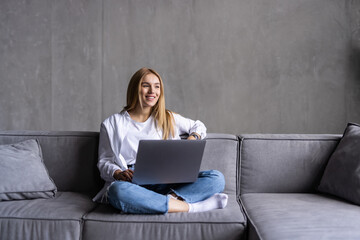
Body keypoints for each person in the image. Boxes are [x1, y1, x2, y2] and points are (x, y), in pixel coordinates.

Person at [93, 67, 228, 214]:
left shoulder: (168, 117)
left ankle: (158, 201)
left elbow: (199, 125)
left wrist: (192, 138)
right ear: (134, 89)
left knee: (217, 178)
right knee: (117, 191)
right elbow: (104, 161)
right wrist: (117, 173)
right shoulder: (111, 124)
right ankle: (191, 207)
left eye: (157, 86)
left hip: (169, 180)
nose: (152, 91)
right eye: (146, 85)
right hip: (133, 182)